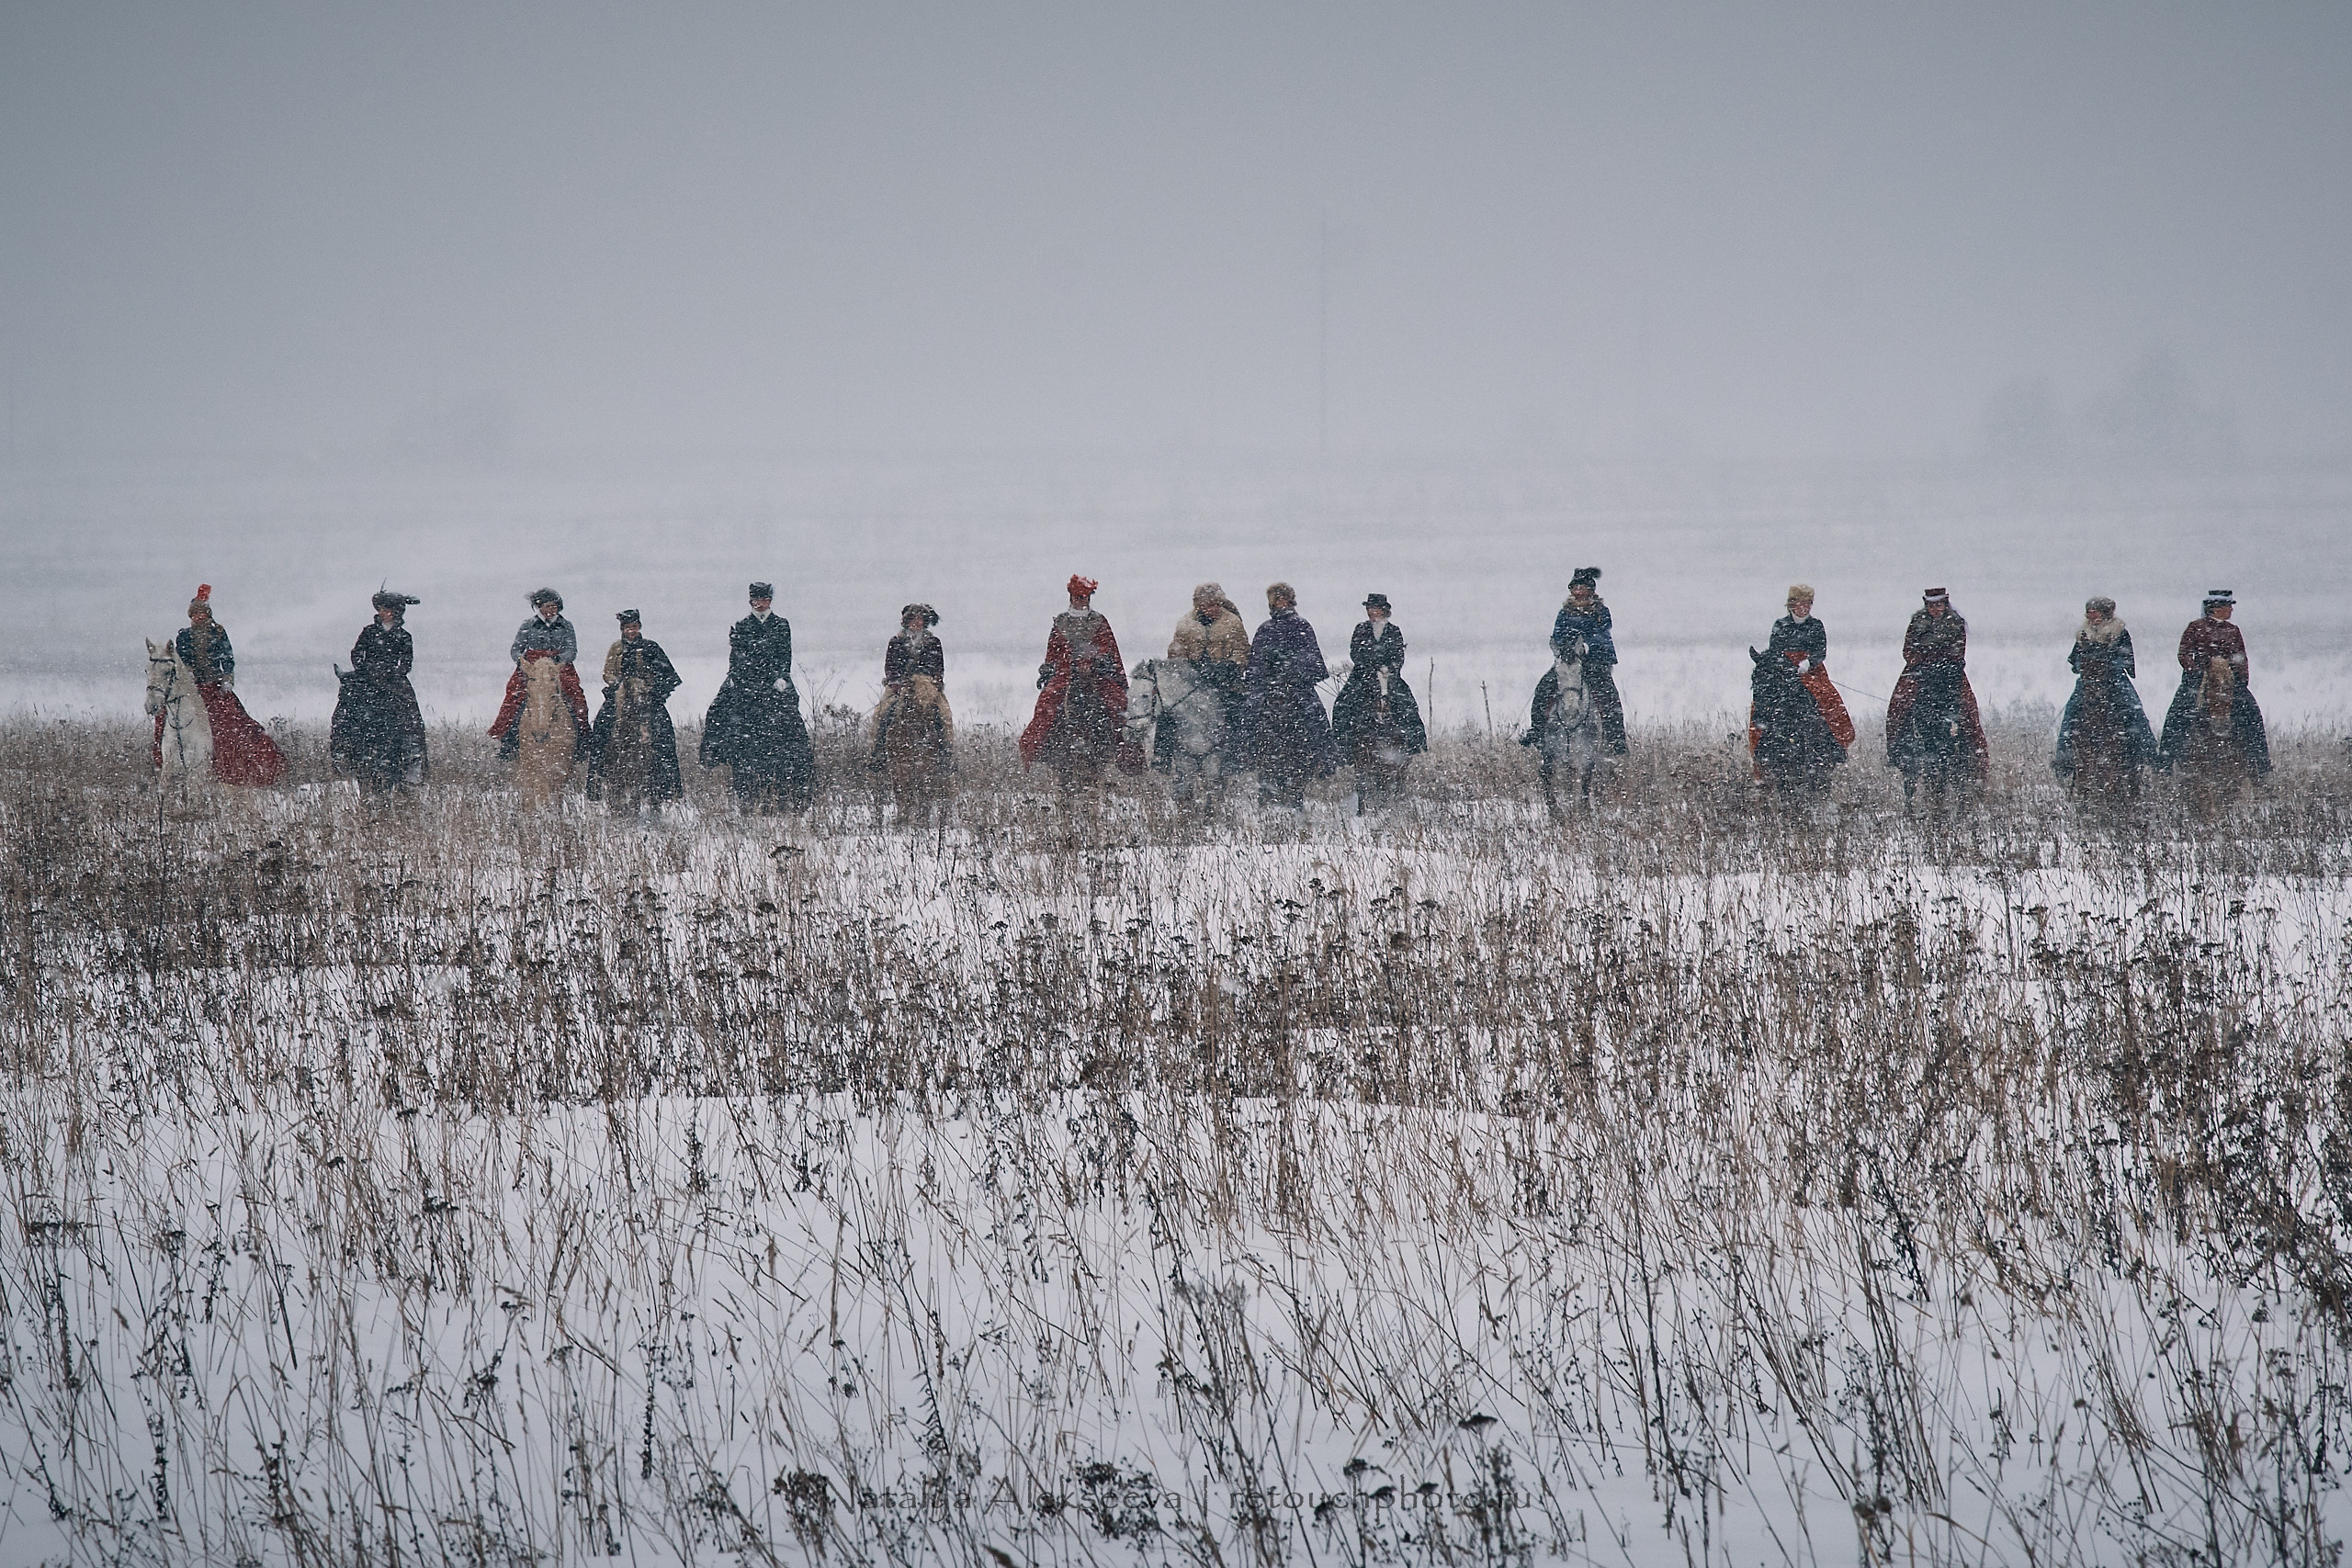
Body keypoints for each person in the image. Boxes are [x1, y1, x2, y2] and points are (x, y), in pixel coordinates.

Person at [700, 581, 816, 812]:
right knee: (718, 709)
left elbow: (785, 655)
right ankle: (712, 751)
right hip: (747, 683)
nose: (761, 603)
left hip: (775, 683)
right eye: (756, 599)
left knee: (791, 717)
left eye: (764, 599)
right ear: (751, 600)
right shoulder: (741, 625)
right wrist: (738, 678)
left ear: (770, 600)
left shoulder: (781, 625)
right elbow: (736, 657)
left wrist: (780, 677)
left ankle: (798, 766)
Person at [161, 583, 286, 785]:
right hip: (191, 688)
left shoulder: (217, 632)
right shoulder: (183, 635)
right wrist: (188, 673)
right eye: (195, 614)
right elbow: (182, 660)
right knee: (167, 718)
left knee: (232, 724)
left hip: (213, 687)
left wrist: (227, 679)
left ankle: (235, 768)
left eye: (201, 613)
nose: (198, 617)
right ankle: (165, 762)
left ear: (207, 614)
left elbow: (227, 657)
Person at [1018, 575, 1128, 781]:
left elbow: (1109, 649)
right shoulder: (1060, 622)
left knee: (1119, 703)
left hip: (1095, 675)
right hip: (1066, 674)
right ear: (1071, 597)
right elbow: (1053, 652)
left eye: (1085, 597)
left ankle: (1124, 750)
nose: (1082, 601)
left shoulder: (1099, 621)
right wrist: (1047, 669)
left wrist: (1099, 663)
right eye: (1078, 597)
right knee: (1046, 704)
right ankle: (1037, 747)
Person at [1239, 581, 1338, 808]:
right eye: (1276, 600)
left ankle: (1325, 759)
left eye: (1283, 599)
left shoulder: (1302, 626)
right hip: (1267, 687)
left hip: (1296, 687)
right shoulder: (1264, 629)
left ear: (1291, 601)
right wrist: (1266, 675)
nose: (1280, 603)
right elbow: (1254, 664)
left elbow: (1314, 663)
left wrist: (1291, 668)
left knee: (1315, 715)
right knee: (1249, 713)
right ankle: (1242, 757)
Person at [2155, 590, 2272, 776]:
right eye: (2228, 607)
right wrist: (2194, 669)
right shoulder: (2195, 627)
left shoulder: (2233, 630)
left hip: (2228, 679)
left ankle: (2259, 766)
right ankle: (2165, 763)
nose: (2231, 611)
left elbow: (2241, 657)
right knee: (2177, 713)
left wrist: (2241, 680)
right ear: (2216, 609)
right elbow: (2184, 653)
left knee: (2252, 714)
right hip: (2199, 678)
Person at [1748, 584, 1854, 779]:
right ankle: (1761, 750)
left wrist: (1808, 662)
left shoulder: (1816, 625)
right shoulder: (1780, 625)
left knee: (1828, 701)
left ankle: (1836, 743)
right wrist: (1785, 666)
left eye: (1808, 604)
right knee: (1761, 706)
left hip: (1811, 673)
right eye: (1801, 604)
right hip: (1784, 671)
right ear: (1791, 605)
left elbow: (1821, 651)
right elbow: (1775, 651)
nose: (1805, 608)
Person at [1884, 587, 1989, 782]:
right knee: (1898, 704)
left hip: (1949, 672)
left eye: (1939, 605)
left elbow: (1959, 651)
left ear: (1945, 604)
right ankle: (1896, 749)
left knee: (1968, 708)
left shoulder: (1956, 623)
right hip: (1920, 670)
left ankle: (1976, 755)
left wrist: (1943, 661)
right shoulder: (1917, 622)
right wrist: (1922, 661)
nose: (1935, 609)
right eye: (1932, 605)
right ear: (1926, 605)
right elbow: (1908, 650)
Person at [330, 590, 427, 791]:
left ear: (395, 612)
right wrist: (365, 670)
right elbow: (357, 653)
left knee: (408, 713)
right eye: (381, 608)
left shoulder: (404, 636)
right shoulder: (368, 632)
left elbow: (406, 663)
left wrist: (390, 673)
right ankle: (343, 749)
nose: (382, 612)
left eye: (385, 609)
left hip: (392, 681)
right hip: (367, 677)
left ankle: (412, 754)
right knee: (347, 702)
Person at [588, 610, 684, 810]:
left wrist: (654, 690)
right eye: (627, 628)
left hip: (647, 696)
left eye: (634, 627)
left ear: (639, 627)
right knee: (601, 727)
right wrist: (618, 684)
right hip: (621, 695)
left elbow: (668, 675)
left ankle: (669, 785)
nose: (631, 631)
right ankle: (596, 777)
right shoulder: (616, 648)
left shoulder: (651, 647)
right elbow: (608, 672)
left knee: (663, 732)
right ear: (622, 629)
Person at [1523, 568, 1626, 754]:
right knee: (1544, 688)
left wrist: (1588, 645)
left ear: (1591, 589)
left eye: (1581, 587)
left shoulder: (1601, 611)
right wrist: (1566, 647)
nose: (1578, 591)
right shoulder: (1564, 612)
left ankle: (1616, 740)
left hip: (1595, 662)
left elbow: (1602, 634)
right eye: (1574, 587)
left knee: (1609, 697)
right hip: (1570, 661)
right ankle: (1537, 732)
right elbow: (1558, 634)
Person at [2052, 596, 2156, 777]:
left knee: (2134, 708)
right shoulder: (2083, 633)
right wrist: (2082, 665)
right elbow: (2074, 658)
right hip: (2088, 680)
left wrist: (2108, 664)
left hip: (2114, 679)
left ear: (2105, 613)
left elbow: (2126, 659)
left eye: (2094, 611)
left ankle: (2148, 752)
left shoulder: (2119, 632)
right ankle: (2064, 757)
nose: (2090, 615)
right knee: (2071, 711)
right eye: (2089, 612)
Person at [1157, 581, 1249, 771]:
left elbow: (1243, 651)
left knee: (1237, 714)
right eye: (1210, 605)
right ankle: (1162, 756)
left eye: (1217, 604)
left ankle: (1238, 757)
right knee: (1167, 713)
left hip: (1225, 683)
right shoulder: (1185, 625)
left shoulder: (1233, 623)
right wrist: (1187, 667)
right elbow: (1175, 653)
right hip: (1192, 684)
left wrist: (1228, 666)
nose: (1214, 609)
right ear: (1199, 606)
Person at [490, 588, 589, 756]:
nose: (551, 610)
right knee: (515, 698)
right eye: (547, 606)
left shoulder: (566, 626)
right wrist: (526, 665)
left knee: (576, 698)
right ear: (539, 607)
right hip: (532, 670)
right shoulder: (528, 625)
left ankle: (581, 742)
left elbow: (571, 650)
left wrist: (557, 661)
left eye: (554, 606)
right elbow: (516, 649)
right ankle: (510, 742)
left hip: (559, 669)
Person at [1329, 592, 1428, 759]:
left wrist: (1388, 669)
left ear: (1383, 611)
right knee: (1342, 703)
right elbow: (1355, 653)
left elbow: (1398, 656)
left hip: (1389, 676)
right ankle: (1341, 746)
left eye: (1374, 609)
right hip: (1363, 676)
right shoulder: (1360, 629)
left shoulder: (1394, 631)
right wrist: (1369, 668)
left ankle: (1415, 744)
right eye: (1369, 609)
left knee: (1407, 703)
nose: (1371, 612)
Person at [865, 604, 952, 772]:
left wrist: (934, 682)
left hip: (927, 687)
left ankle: (945, 755)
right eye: (912, 618)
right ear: (906, 621)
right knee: (881, 714)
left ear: (925, 621)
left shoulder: (933, 642)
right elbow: (890, 667)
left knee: (945, 715)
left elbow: (939, 667)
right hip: (901, 685)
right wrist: (896, 683)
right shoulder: (896, 641)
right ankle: (878, 754)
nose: (916, 622)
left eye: (919, 618)